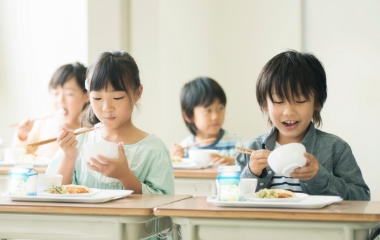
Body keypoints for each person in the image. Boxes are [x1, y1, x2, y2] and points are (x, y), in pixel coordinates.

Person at [235, 50, 370, 200]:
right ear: (265, 104)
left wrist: (319, 178)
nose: (288, 111)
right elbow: (231, 198)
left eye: (300, 101)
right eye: (279, 101)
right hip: (266, 224)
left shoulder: (336, 148)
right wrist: (252, 173)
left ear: (317, 102)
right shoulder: (252, 149)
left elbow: (361, 198)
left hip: (317, 224)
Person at [46, 50, 174, 195]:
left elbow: (164, 203)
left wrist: (125, 175)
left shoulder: (154, 149)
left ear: (137, 93)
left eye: (118, 98)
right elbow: (56, 193)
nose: (107, 108)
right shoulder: (79, 141)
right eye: (97, 98)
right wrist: (69, 157)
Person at [12, 62, 89, 158]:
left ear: (86, 96)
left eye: (69, 94)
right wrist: (22, 135)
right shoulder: (43, 122)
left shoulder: (89, 128)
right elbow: (19, 155)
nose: (60, 100)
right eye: (56, 93)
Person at [170, 77, 242, 166]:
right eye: (208, 110)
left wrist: (233, 161)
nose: (215, 116)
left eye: (220, 108)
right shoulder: (185, 148)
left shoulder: (238, 143)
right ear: (188, 116)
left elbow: (250, 169)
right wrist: (175, 159)